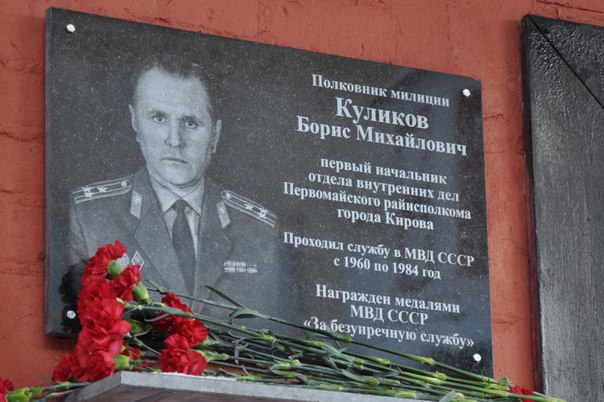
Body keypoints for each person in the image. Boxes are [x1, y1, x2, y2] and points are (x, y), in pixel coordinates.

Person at [64, 55, 289, 329]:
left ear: (215, 134)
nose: (175, 140)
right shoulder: (90, 217)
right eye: (158, 118)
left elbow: (271, 330)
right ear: (135, 121)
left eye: (190, 123)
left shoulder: (258, 230)